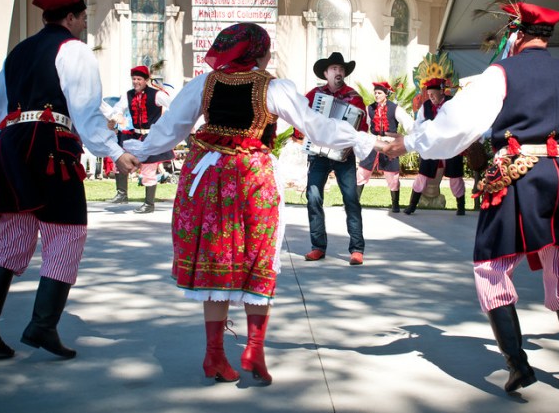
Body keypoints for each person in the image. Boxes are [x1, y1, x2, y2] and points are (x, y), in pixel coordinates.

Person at [384, 1, 559, 392]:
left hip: (518, 173)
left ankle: (518, 365)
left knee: (492, 265)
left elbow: (457, 122)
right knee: (558, 264)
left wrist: (411, 142)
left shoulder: (501, 72)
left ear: (516, 36)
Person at [122, 23, 382, 385]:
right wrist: (366, 141)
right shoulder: (273, 87)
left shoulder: (205, 83)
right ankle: (254, 350)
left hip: (208, 180)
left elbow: (172, 128)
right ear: (259, 52)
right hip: (250, 180)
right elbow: (317, 127)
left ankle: (214, 355)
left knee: (216, 262)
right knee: (257, 258)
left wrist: (136, 151)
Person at [0, 0, 140, 360]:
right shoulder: (73, 50)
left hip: (12, 143)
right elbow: (85, 112)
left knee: (14, 235)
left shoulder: (20, 52)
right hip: (50, 144)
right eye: (83, 17)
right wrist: (115, 152)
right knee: (66, 232)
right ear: (70, 17)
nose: (85, 23)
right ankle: (42, 325)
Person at [295, 52, 369, 265]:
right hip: (318, 154)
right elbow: (301, 119)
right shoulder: (313, 95)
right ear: (326, 73)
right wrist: (303, 136)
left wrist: (352, 143)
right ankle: (318, 247)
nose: (339, 72)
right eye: (334, 69)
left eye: (341, 69)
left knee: (351, 199)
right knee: (314, 196)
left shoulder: (354, 97)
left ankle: (357, 249)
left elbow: (362, 129)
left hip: (344, 156)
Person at [106, 66, 173, 213]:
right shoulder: (128, 95)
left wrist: (168, 124)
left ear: (146, 80)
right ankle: (122, 194)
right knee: (120, 160)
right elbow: (118, 108)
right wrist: (115, 116)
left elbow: (174, 107)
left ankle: (149, 204)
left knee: (149, 169)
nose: (136, 82)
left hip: (152, 137)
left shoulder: (157, 95)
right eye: (134, 79)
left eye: (139, 79)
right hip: (134, 135)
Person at [404, 78, 466, 216]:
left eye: (433, 94)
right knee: (423, 175)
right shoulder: (425, 106)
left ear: (442, 92)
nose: (430, 97)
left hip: (451, 146)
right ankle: (412, 205)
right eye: (429, 94)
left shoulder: (453, 103)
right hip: (432, 146)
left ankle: (461, 207)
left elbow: (462, 120)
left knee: (455, 177)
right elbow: (418, 124)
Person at [356, 81, 413, 213]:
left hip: (390, 143)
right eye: (375, 93)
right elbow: (363, 124)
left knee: (392, 175)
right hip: (374, 142)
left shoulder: (395, 108)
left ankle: (395, 205)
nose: (376, 95)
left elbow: (408, 123)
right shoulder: (369, 109)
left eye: (379, 93)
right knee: (362, 171)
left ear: (386, 94)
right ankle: (355, 201)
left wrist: (412, 137)